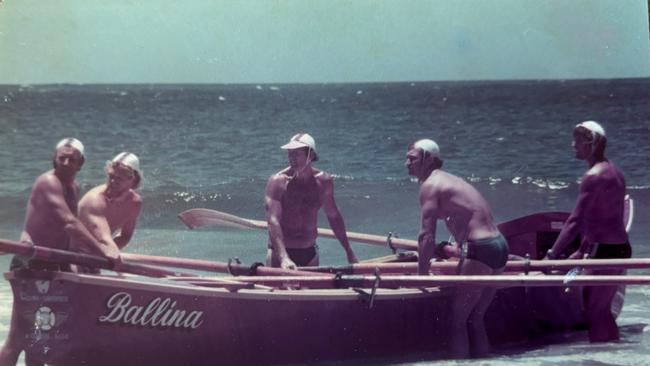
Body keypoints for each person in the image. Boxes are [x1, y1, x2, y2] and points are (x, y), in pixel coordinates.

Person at [0, 138, 119, 366]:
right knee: (18, 338)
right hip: (31, 263)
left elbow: (67, 237)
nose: (65, 162)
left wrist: (79, 265)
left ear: (80, 163)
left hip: (56, 263)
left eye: (71, 159)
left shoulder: (73, 188)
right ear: (53, 159)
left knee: (45, 336)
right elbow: (69, 224)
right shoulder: (48, 182)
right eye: (61, 157)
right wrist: (103, 252)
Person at [406, 139, 509, 359]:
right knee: (476, 317)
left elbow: (426, 235)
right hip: (499, 246)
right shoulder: (449, 180)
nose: (407, 163)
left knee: (458, 319)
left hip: (480, 250)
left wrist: (422, 276)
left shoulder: (430, 185)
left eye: (412, 158)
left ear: (429, 160)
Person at [546, 121, 630, 342]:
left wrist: (551, 255)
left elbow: (575, 220)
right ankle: (612, 355)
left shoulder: (593, 176)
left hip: (605, 252)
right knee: (602, 310)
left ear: (590, 143)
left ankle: (597, 360)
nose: (573, 145)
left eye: (578, 140)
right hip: (619, 248)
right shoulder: (615, 172)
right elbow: (604, 217)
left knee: (593, 312)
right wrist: (582, 249)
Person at [265, 133, 358, 270]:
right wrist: (284, 258)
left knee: (311, 290)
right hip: (281, 253)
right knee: (284, 290)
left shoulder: (323, 182)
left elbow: (333, 216)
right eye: (290, 154)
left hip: (310, 253)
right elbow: (273, 221)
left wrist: (348, 250)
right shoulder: (277, 182)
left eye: (297, 154)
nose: (292, 158)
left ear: (311, 155)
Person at [70, 152, 143, 272]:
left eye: (119, 179)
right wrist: (110, 250)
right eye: (111, 176)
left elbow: (125, 235)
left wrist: (108, 254)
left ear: (133, 180)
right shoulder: (95, 200)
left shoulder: (135, 203)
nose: (113, 182)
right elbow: (103, 238)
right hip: (67, 254)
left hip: (93, 258)